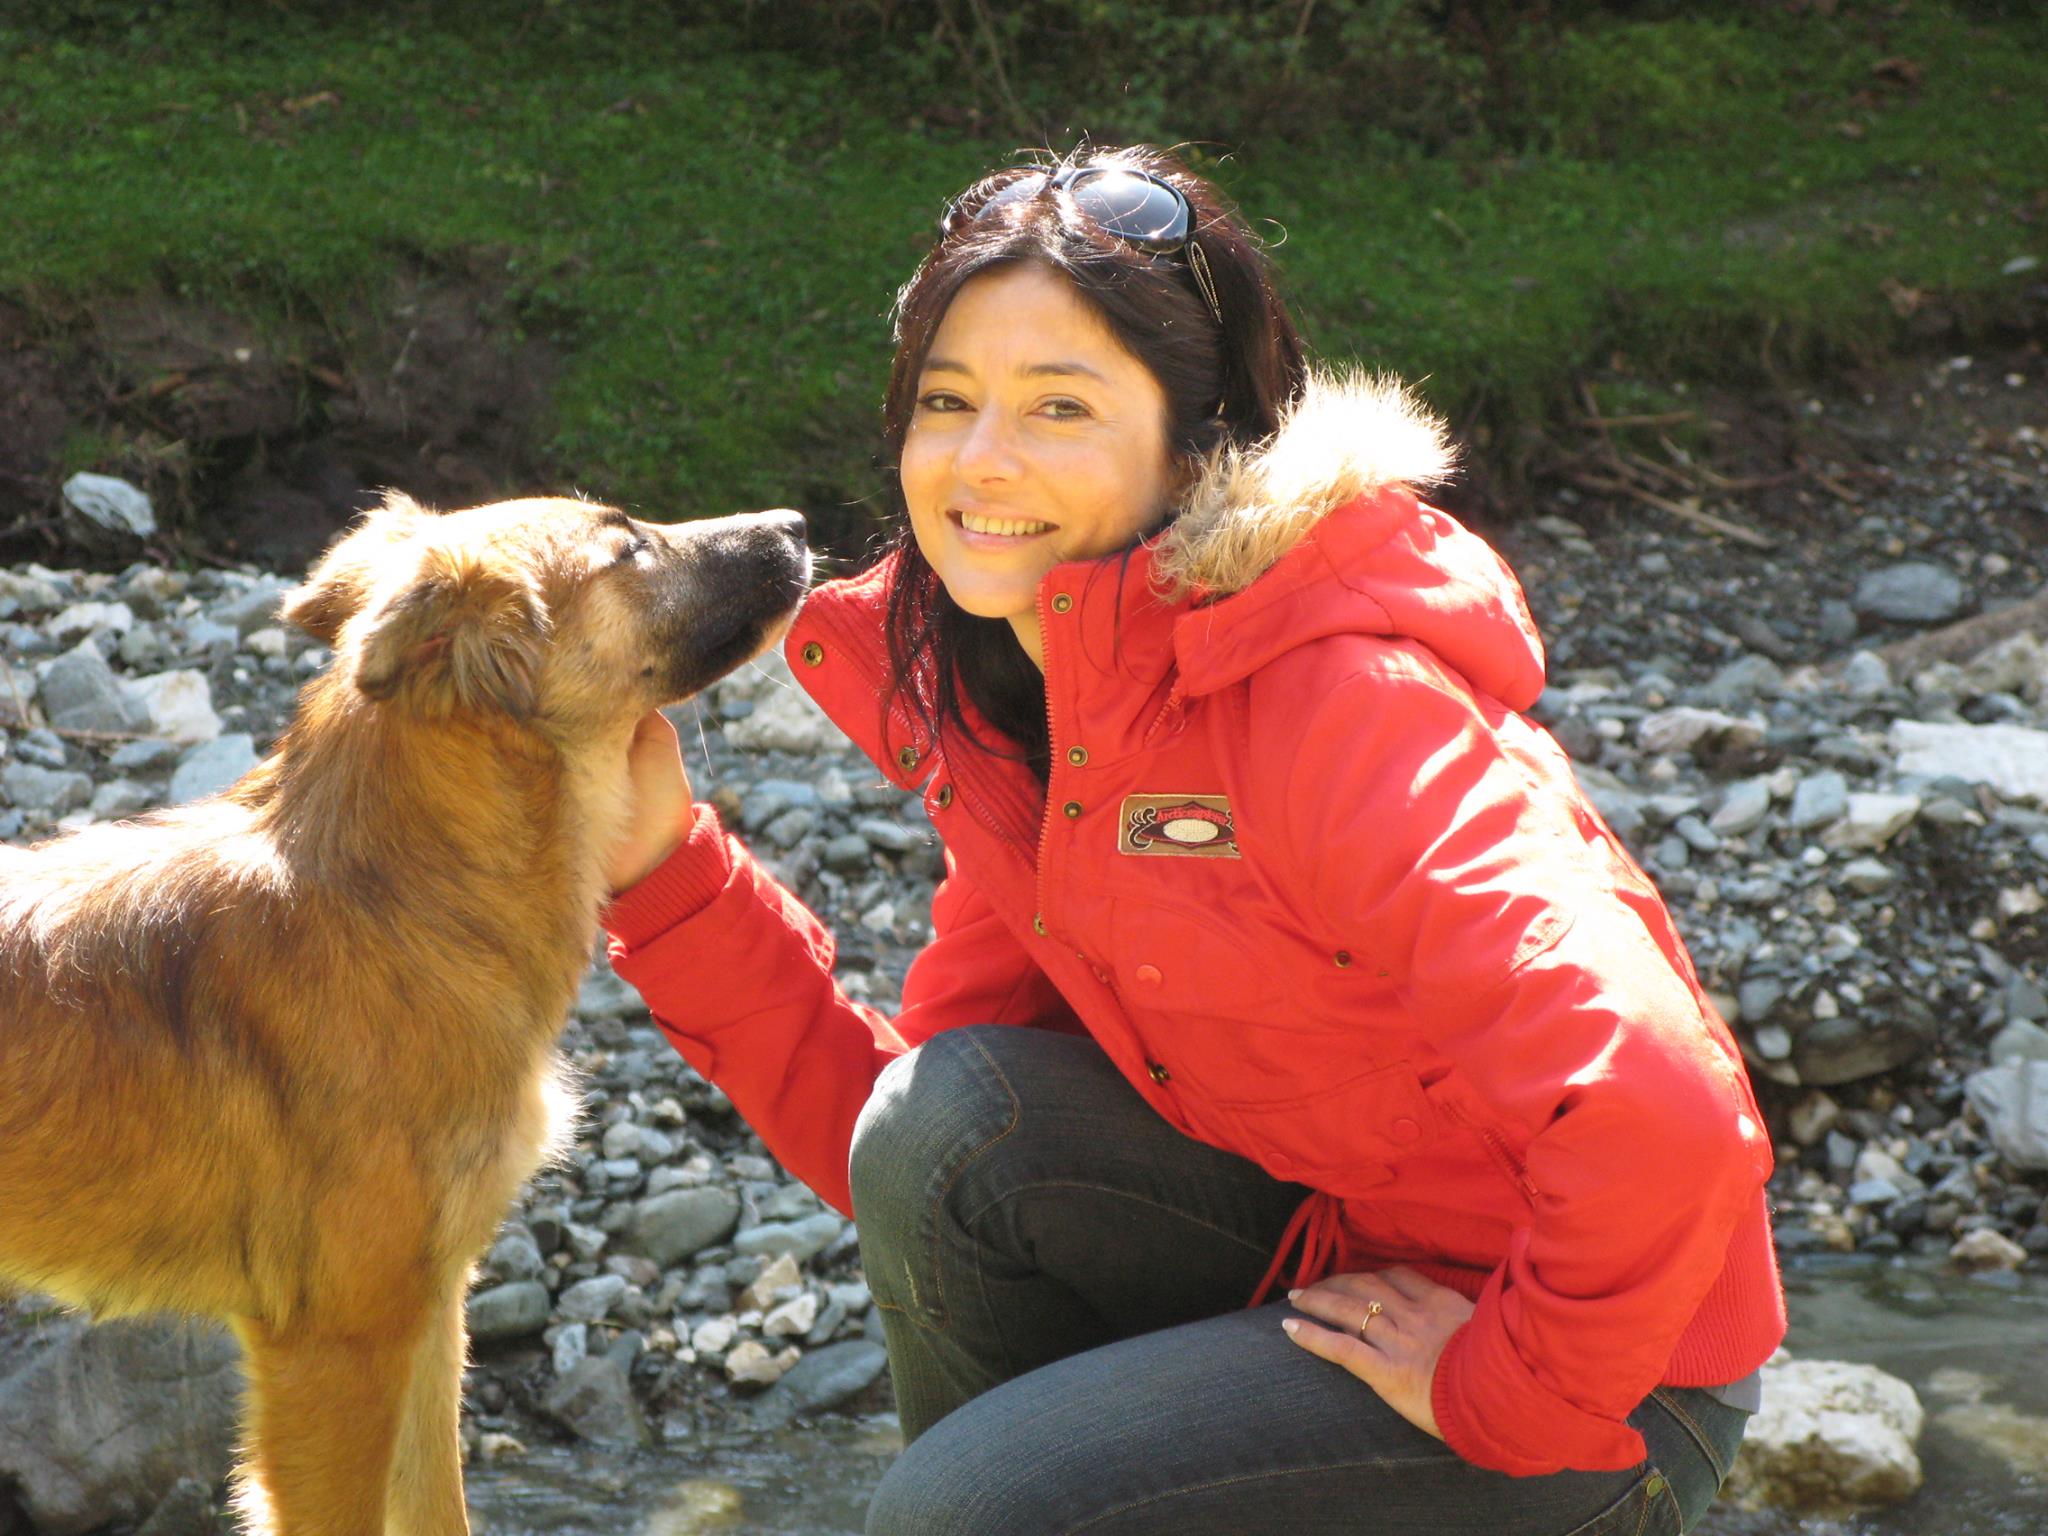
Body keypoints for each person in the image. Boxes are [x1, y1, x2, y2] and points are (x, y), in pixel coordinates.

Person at [598, 145, 1786, 1535]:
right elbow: (904, 1151)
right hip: (1336, 1246)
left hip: (1605, 1376)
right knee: (955, 1131)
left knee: (961, 1512)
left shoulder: (1341, 703)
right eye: (947, 401)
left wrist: (1502, 1392)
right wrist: (666, 876)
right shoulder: (1045, 718)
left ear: (1195, 444)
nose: (982, 461)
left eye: (1061, 408)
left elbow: (1665, 1110)